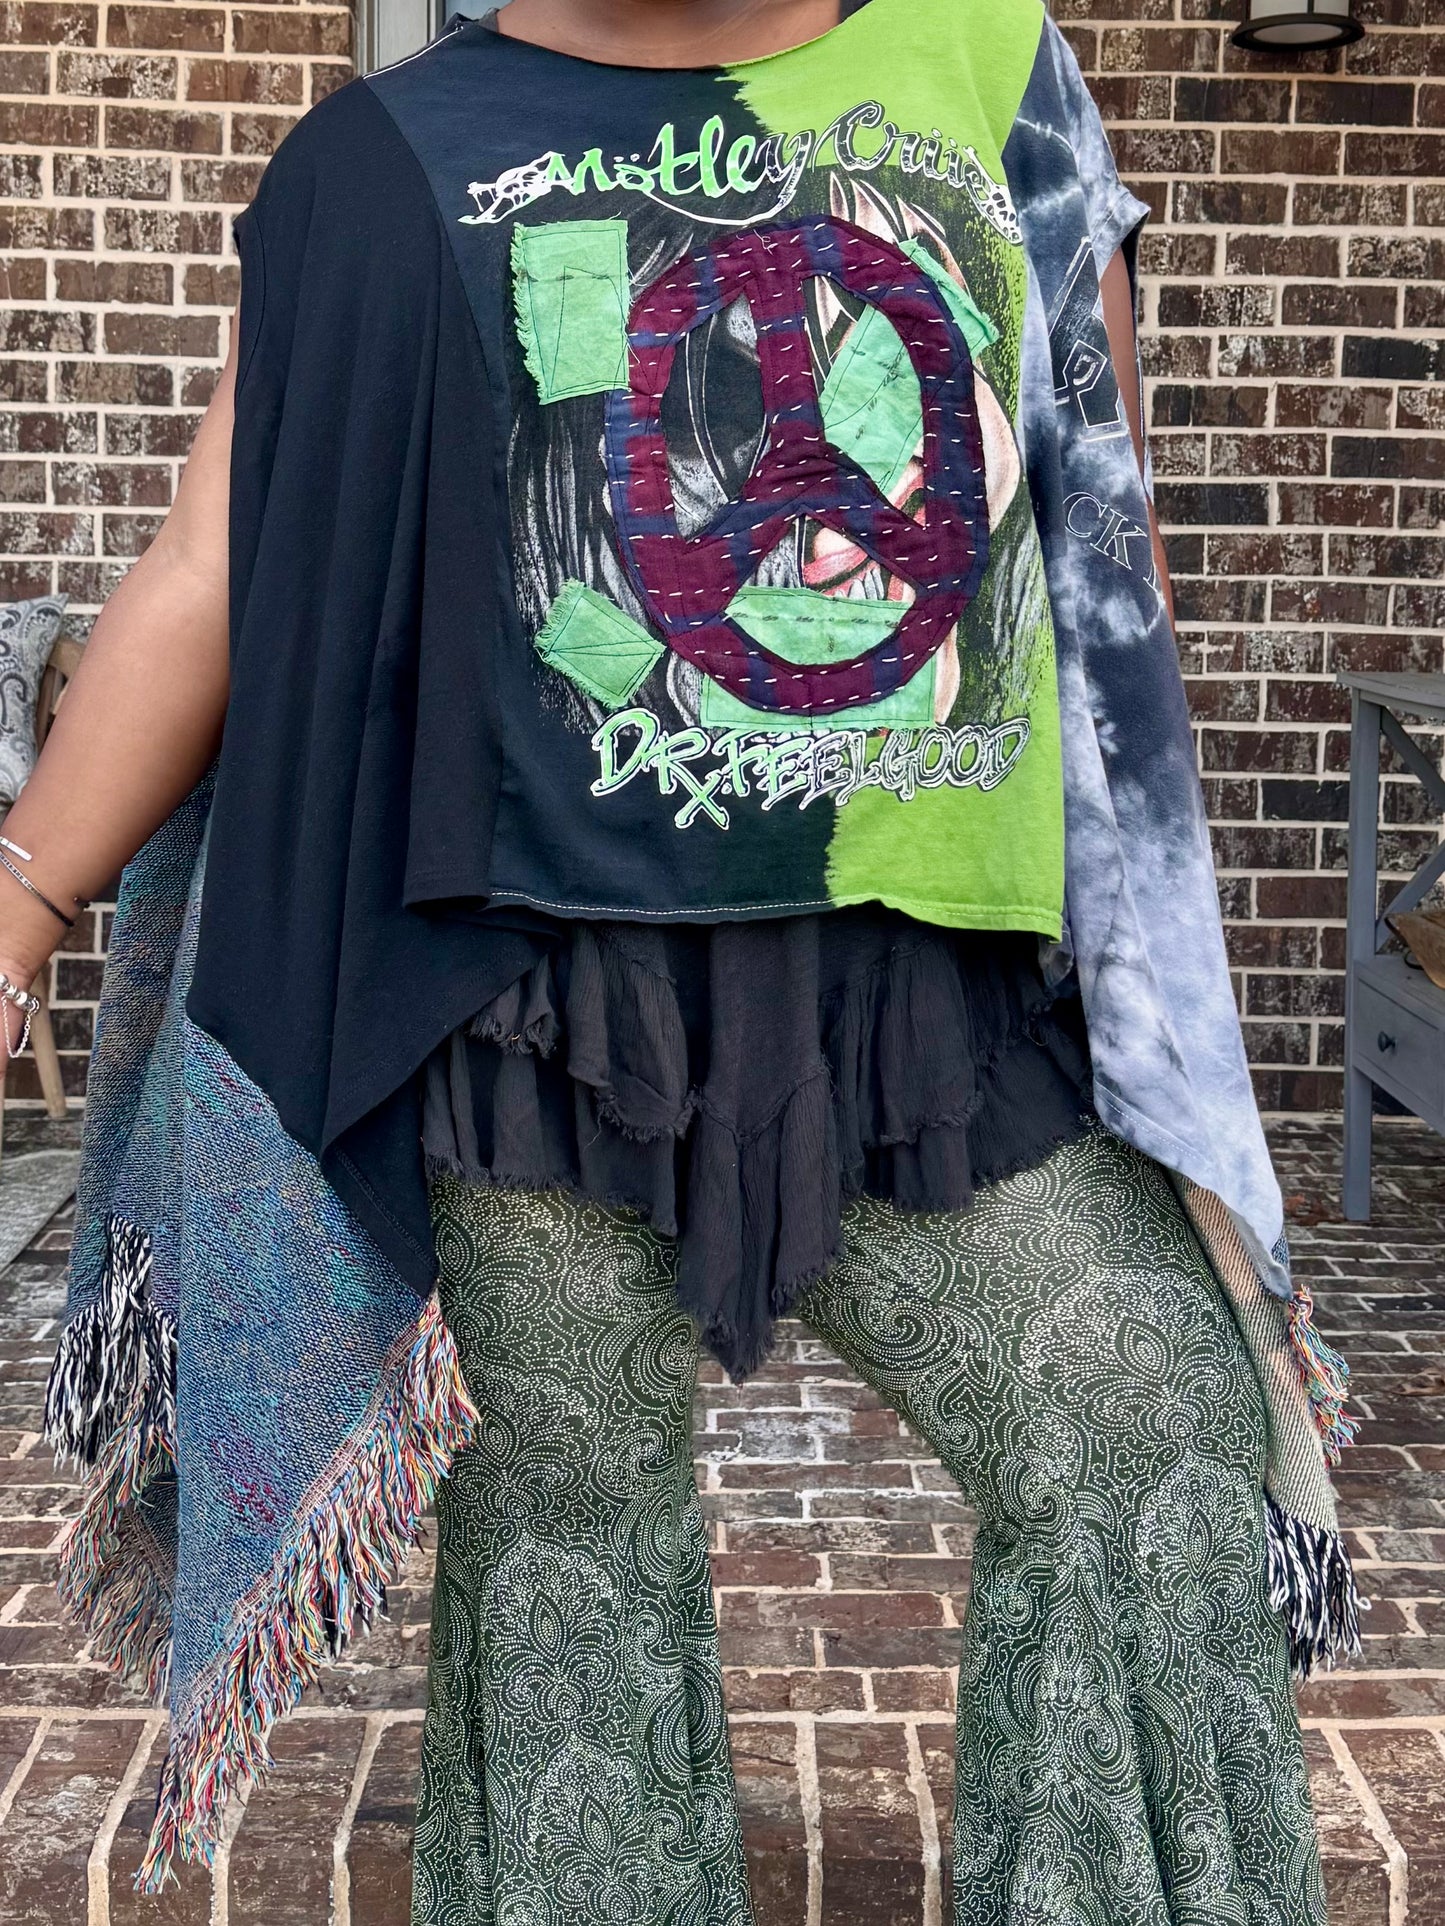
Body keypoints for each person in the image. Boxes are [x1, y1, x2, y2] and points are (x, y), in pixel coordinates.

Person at [27, 0, 1358, 1918]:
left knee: (1150, 1430)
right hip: (531, 1013)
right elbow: (209, 570)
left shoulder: (994, 72)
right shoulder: (381, 166)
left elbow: (1093, 546)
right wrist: (18, 911)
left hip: (927, 1000)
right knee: (570, 1581)